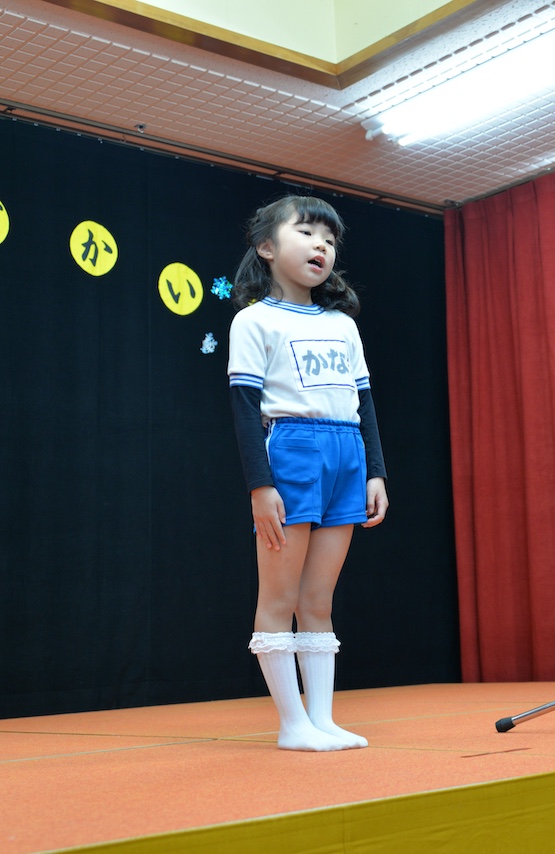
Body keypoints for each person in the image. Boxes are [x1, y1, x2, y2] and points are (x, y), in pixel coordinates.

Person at [227, 195, 388, 751]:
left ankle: (322, 719)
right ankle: (292, 725)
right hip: (292, 448)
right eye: (306, 232)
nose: (321, 245)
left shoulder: (343, 325)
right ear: (266, 247)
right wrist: (260, 485)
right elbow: (244, 408)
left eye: (330, 239)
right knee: (279, 596)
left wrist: (375, 471)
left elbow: (364, 401)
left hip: (347, 451)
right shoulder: (254, 320)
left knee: (318, 600)